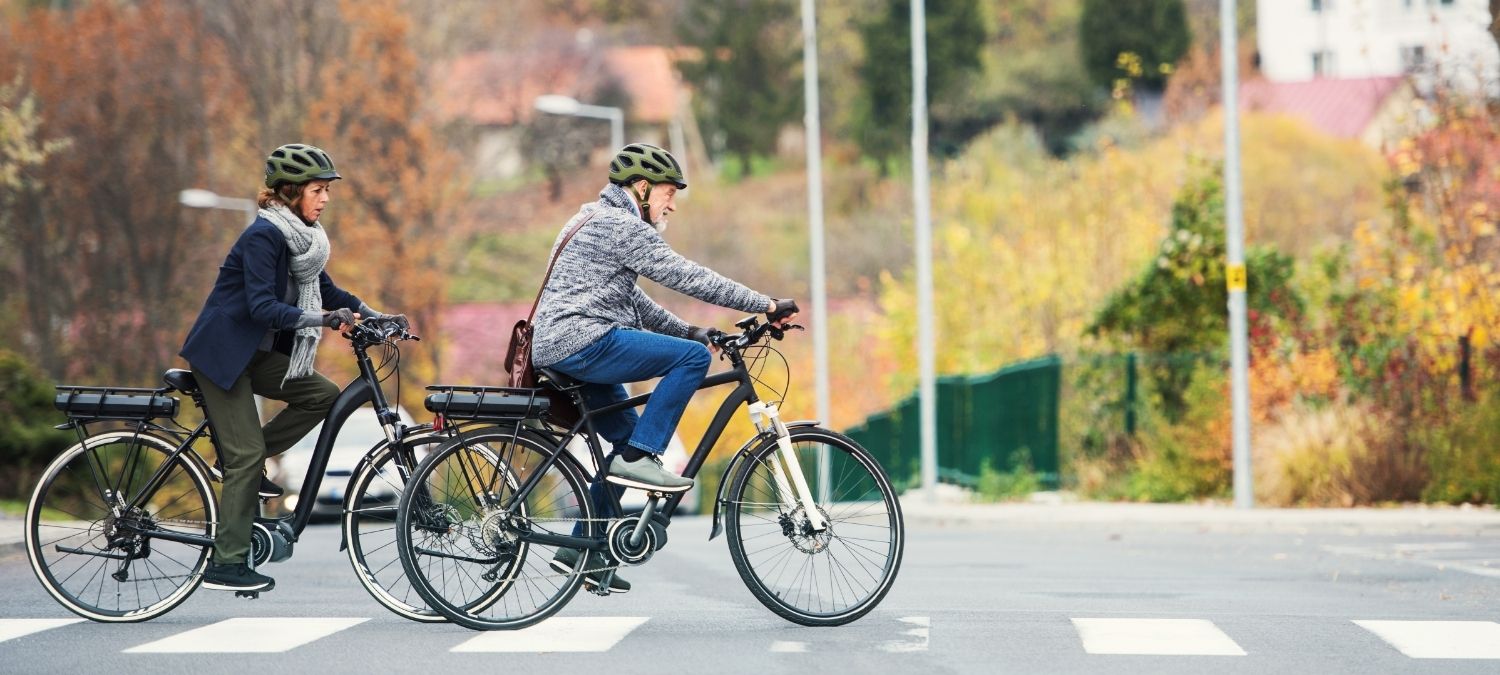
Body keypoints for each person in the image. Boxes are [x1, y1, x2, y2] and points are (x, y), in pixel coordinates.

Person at [531, 143, 798, 593]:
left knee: (623, 443)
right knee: (688, 366)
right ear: (642, 187)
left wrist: (689, 330)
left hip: (565, 344)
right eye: (668, 193)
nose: (672, 203)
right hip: (582, 341)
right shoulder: (621, 226)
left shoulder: (592, 219)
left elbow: (631, 300)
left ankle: (581, 550)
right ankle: (641, 459)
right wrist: (765, 304)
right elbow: (688, 276)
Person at [179, 143, 407, 593]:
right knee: (246, 457)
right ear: (289, 192)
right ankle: (226, 562)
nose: (324, 199)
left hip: (256, 357)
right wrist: (323, 320)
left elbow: (327, 290)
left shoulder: (303, 241)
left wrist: (373, 313)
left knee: (321, 395)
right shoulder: (264, 237)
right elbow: (263, 307)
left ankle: (240, 461)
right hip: (225, 358)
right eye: (317, 190)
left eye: (327, 191)